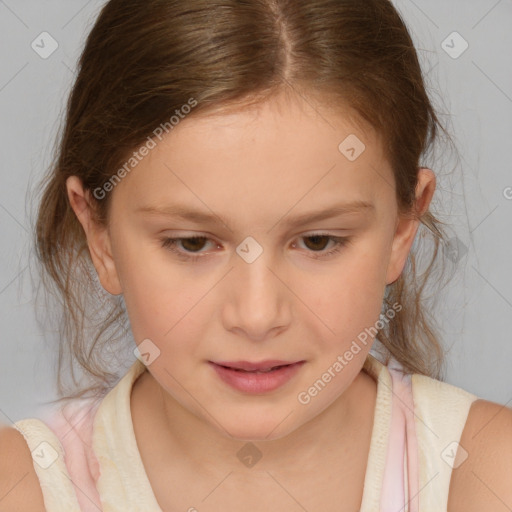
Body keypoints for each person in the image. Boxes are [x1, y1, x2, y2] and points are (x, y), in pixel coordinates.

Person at [1, 0, 511, 510]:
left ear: (403, 228)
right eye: (193, 243)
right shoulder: (23, 489)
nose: (257, 315)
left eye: (318, 241)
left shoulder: (489, 474)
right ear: (100, 236)